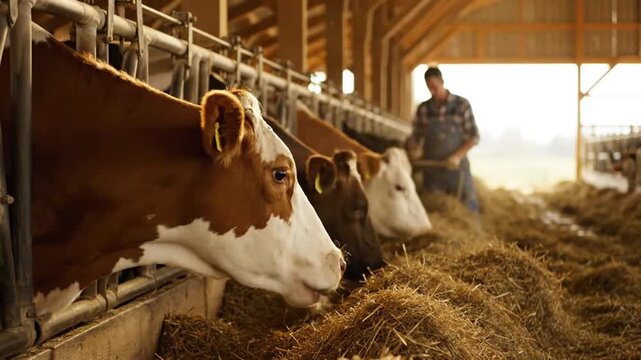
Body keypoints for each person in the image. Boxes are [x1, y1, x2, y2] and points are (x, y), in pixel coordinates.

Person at [405, 66, 480, 213]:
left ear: (442, 81)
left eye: (434, 86)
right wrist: (410, 148)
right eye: (429, 88)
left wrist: (457, 156)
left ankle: (474, 231)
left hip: (457, 169)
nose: (432, 91)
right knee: (434, 209)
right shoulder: (424, 109)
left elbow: (473, 137)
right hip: (433, 170)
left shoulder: (461, 105)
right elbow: (417, 136)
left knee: (468, 207)